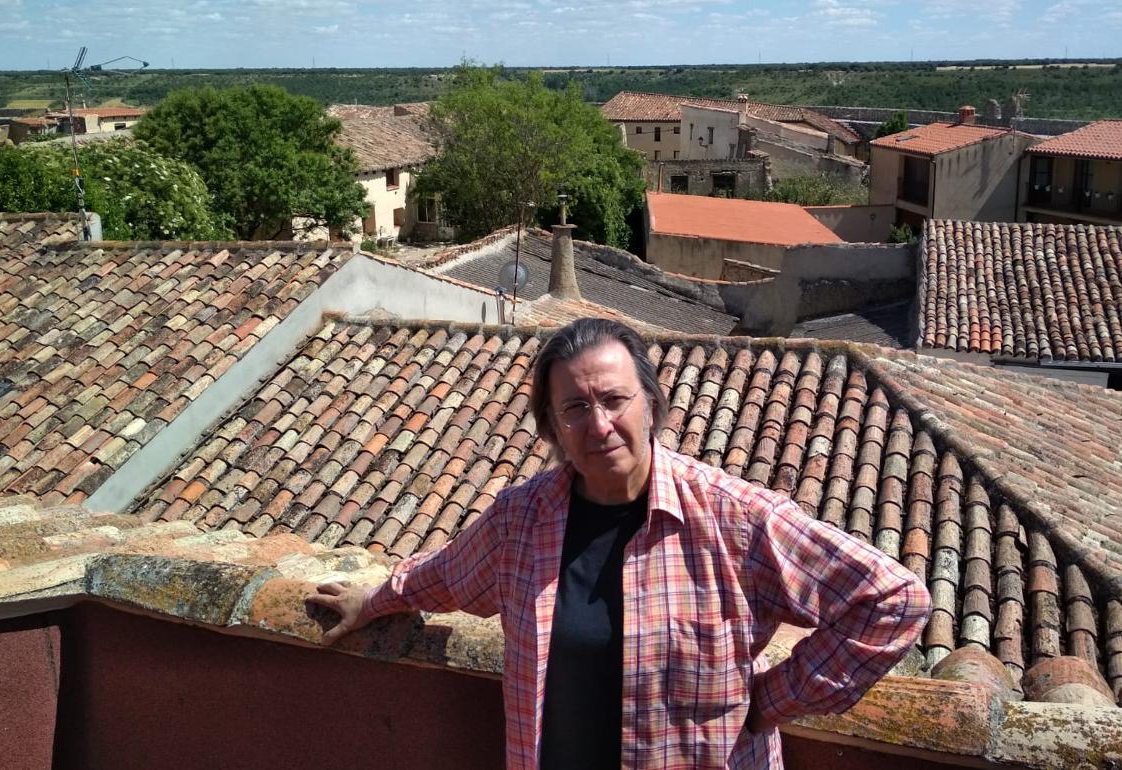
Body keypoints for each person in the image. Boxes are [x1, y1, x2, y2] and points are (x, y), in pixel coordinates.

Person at [306, 318, 931, 770]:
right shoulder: (521, 521)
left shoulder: (733, 521)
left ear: (652, 405)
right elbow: (444, 575)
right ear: (552, 427)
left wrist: (770, 701)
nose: (598, 423)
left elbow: (893, 601)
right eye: (575, 408)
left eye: (613, 400)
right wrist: (374, 599)